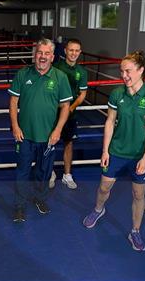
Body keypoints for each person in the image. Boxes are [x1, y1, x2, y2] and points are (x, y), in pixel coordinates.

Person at [82, 50, 145, 252]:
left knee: (138, 194)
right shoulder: (118, 93)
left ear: (141, 70)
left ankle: (135, 231)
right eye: (121, 71)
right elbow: (109, 122)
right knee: (103, 188)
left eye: (128, 71)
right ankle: (98, 210)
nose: (123, 75)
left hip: (139, 154)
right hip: (117, 151)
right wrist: (105, 150)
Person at [8, 38, 73, 222]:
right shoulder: (23, 73)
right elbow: (13, 101)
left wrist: (58, 130)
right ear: (35, 54)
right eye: (39, 53)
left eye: (46, 54)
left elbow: (66, 105)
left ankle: (40, 198)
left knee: (44, 171)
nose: (42, 56)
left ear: (52, 57)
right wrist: (15, 125)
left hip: (49, 136)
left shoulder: (60, 77)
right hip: (24, 135)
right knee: (22, 171)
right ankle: (20, 206)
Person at [50, 38, 88, 189]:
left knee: (68, 143)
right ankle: (49, 173)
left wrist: (71, 107)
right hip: (53, 113)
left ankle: (67, 175)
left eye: (76, 50)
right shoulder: (56, 68)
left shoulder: (82, 72)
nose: (73, 53)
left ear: (80, 52)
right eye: (71, 50)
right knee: (50, 143)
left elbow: (83, 94)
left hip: (71, 114)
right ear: (65, 51)